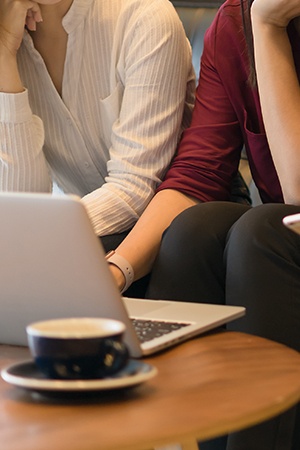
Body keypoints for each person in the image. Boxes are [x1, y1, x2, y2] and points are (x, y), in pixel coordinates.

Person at [107, 0, 300, 448]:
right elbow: (198, 172)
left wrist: (268, 26)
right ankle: (184, 438)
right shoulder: (233, 23)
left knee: (263, 233)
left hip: (278, 230)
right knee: (195, 230)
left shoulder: (257, 19)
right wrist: (118, 269)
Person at [0, 0, 195, 248]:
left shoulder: (143, 16)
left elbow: (134, 189)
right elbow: (22, 199)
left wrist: (34, 234)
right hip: (83, 236)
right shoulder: (7, 32)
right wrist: (4, 53)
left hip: (186, 241)